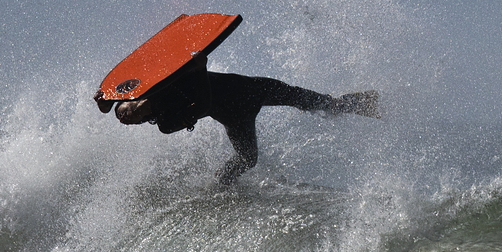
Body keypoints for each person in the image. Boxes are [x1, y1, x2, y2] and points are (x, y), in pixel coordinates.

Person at [103, 56, 379, 186]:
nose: (125, 117)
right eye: (126, 120)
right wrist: (200, 70)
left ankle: (359, 104)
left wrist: (105, 102)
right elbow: (203, 104)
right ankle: (222, 182)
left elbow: (132, 75)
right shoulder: (166, 122)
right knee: (248, 159)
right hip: (235, 115)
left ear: (128, 101)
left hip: (252, 89)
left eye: (122, 111)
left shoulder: (155, 84)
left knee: (306, 100)